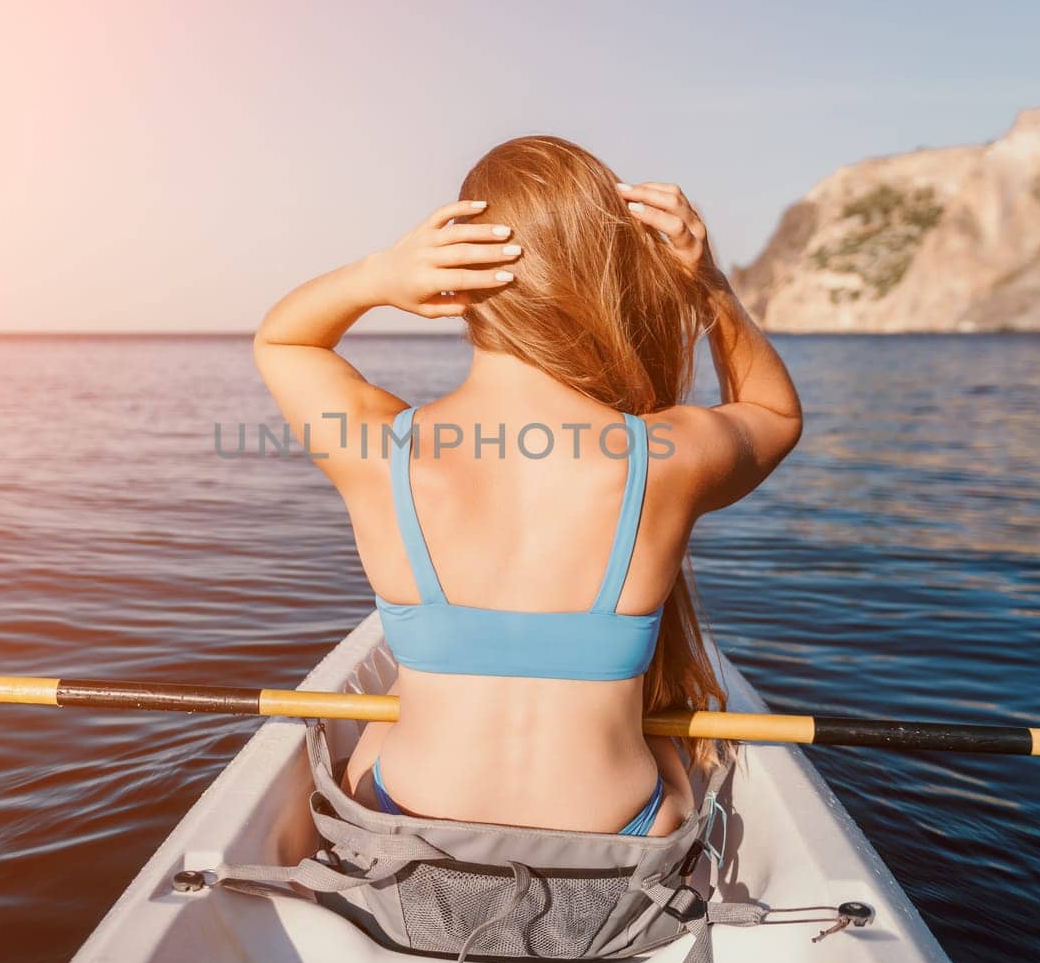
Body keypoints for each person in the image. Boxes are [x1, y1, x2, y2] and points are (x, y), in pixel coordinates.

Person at [253, 135, 802, 836]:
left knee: (392, 709)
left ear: (455, 285)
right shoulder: (665, 456)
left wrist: (377, 277)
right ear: (608, 275)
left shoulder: (380, 449)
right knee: (666, 740)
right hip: (615, 855)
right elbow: (775, 415)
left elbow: (284, 341)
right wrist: (709, 285)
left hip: (411, 852)